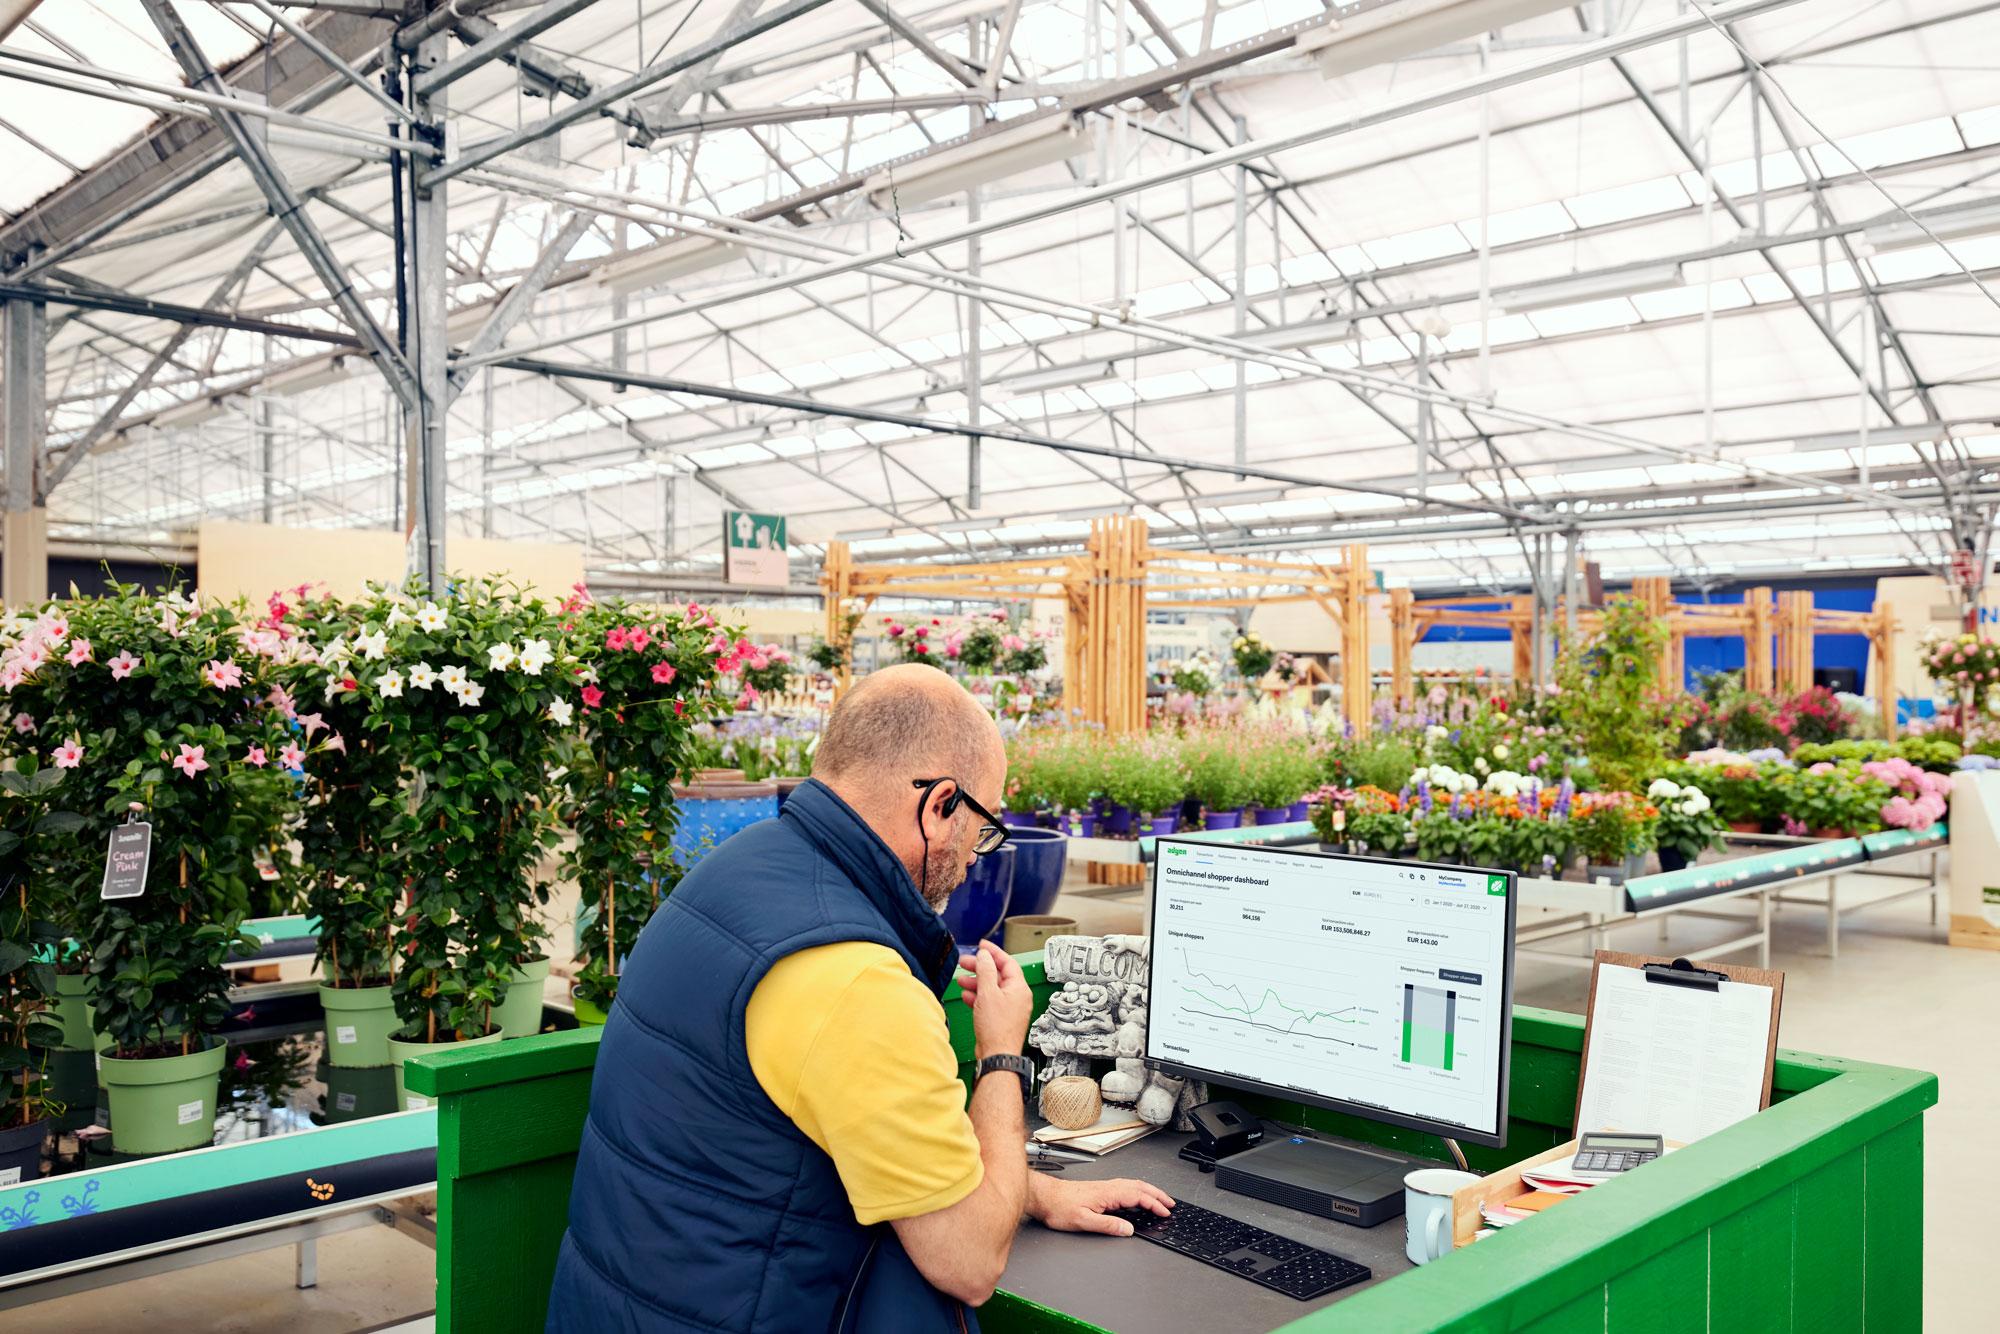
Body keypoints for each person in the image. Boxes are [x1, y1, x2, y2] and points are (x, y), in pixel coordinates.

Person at [547, 664, 1174, 1333]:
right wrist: (999, 1055)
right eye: (982, 826)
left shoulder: (737, 871)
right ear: (939, 806)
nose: (971, 861)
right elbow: (968, 1260)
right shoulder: (857, 981)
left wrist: (1032, 1192)